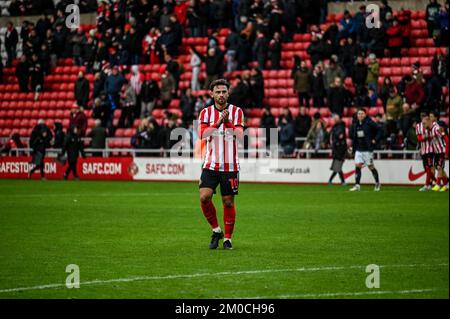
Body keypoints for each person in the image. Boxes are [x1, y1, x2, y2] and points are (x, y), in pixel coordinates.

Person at [198, 79, 244, 250]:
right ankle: (216, 230)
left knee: (228, 202)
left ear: (228, 93)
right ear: (212, 94)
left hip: (230, 165)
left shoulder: (237, 112)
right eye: (217, 92)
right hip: (211, 164)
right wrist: (218, 122)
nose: (221, 95)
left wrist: (227, 123)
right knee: (204, 197)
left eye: (224, 91)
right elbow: (202, 135)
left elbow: (240, 137)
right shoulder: (205, 113)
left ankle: (228, 239)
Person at [349, 108, 382, 191]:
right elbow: (354, 137)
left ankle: (377, 183)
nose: (360, 115)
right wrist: (353, 147)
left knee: (371, 167)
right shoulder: (356, 123)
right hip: (358, 149)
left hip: (367, 149)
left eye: (362, 113)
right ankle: (357, 185)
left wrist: (375, 139)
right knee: (357, 166)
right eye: (359, 114)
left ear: (365, 114)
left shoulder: (369, 122)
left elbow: (380, 130)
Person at [416, 112, 437, 191]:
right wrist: (424, 137)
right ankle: (437, 182)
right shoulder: (418, 126)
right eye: (422, 116)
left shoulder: (431, 124)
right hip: (423, 150)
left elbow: (434, 135)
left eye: (424, 116)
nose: (423, 118)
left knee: (430, 167)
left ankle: (427, 185)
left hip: (431, 149)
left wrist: (427, 136)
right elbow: (419, 138)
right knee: (426, 168)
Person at [429, 112, 448, 192]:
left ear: (435, 118)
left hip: (441, 151)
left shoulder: (437, 128)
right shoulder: (432, 127)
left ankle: (437, 184)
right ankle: (446, 184)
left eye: (431, 116)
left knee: (440, 167)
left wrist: (446, 152)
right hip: (437, 151)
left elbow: (446, 138)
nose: (430, 117)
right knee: (439, 168)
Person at [328, 114, 347, 185]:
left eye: (336, 118)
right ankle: (341, 181)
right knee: (338, 167)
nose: (335, 120)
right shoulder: (335, 127)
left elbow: (340, 137)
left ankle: (332, 181)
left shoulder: (340, 127)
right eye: (334, 118)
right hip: (336, 149)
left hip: (340, 149)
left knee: (337, 167)